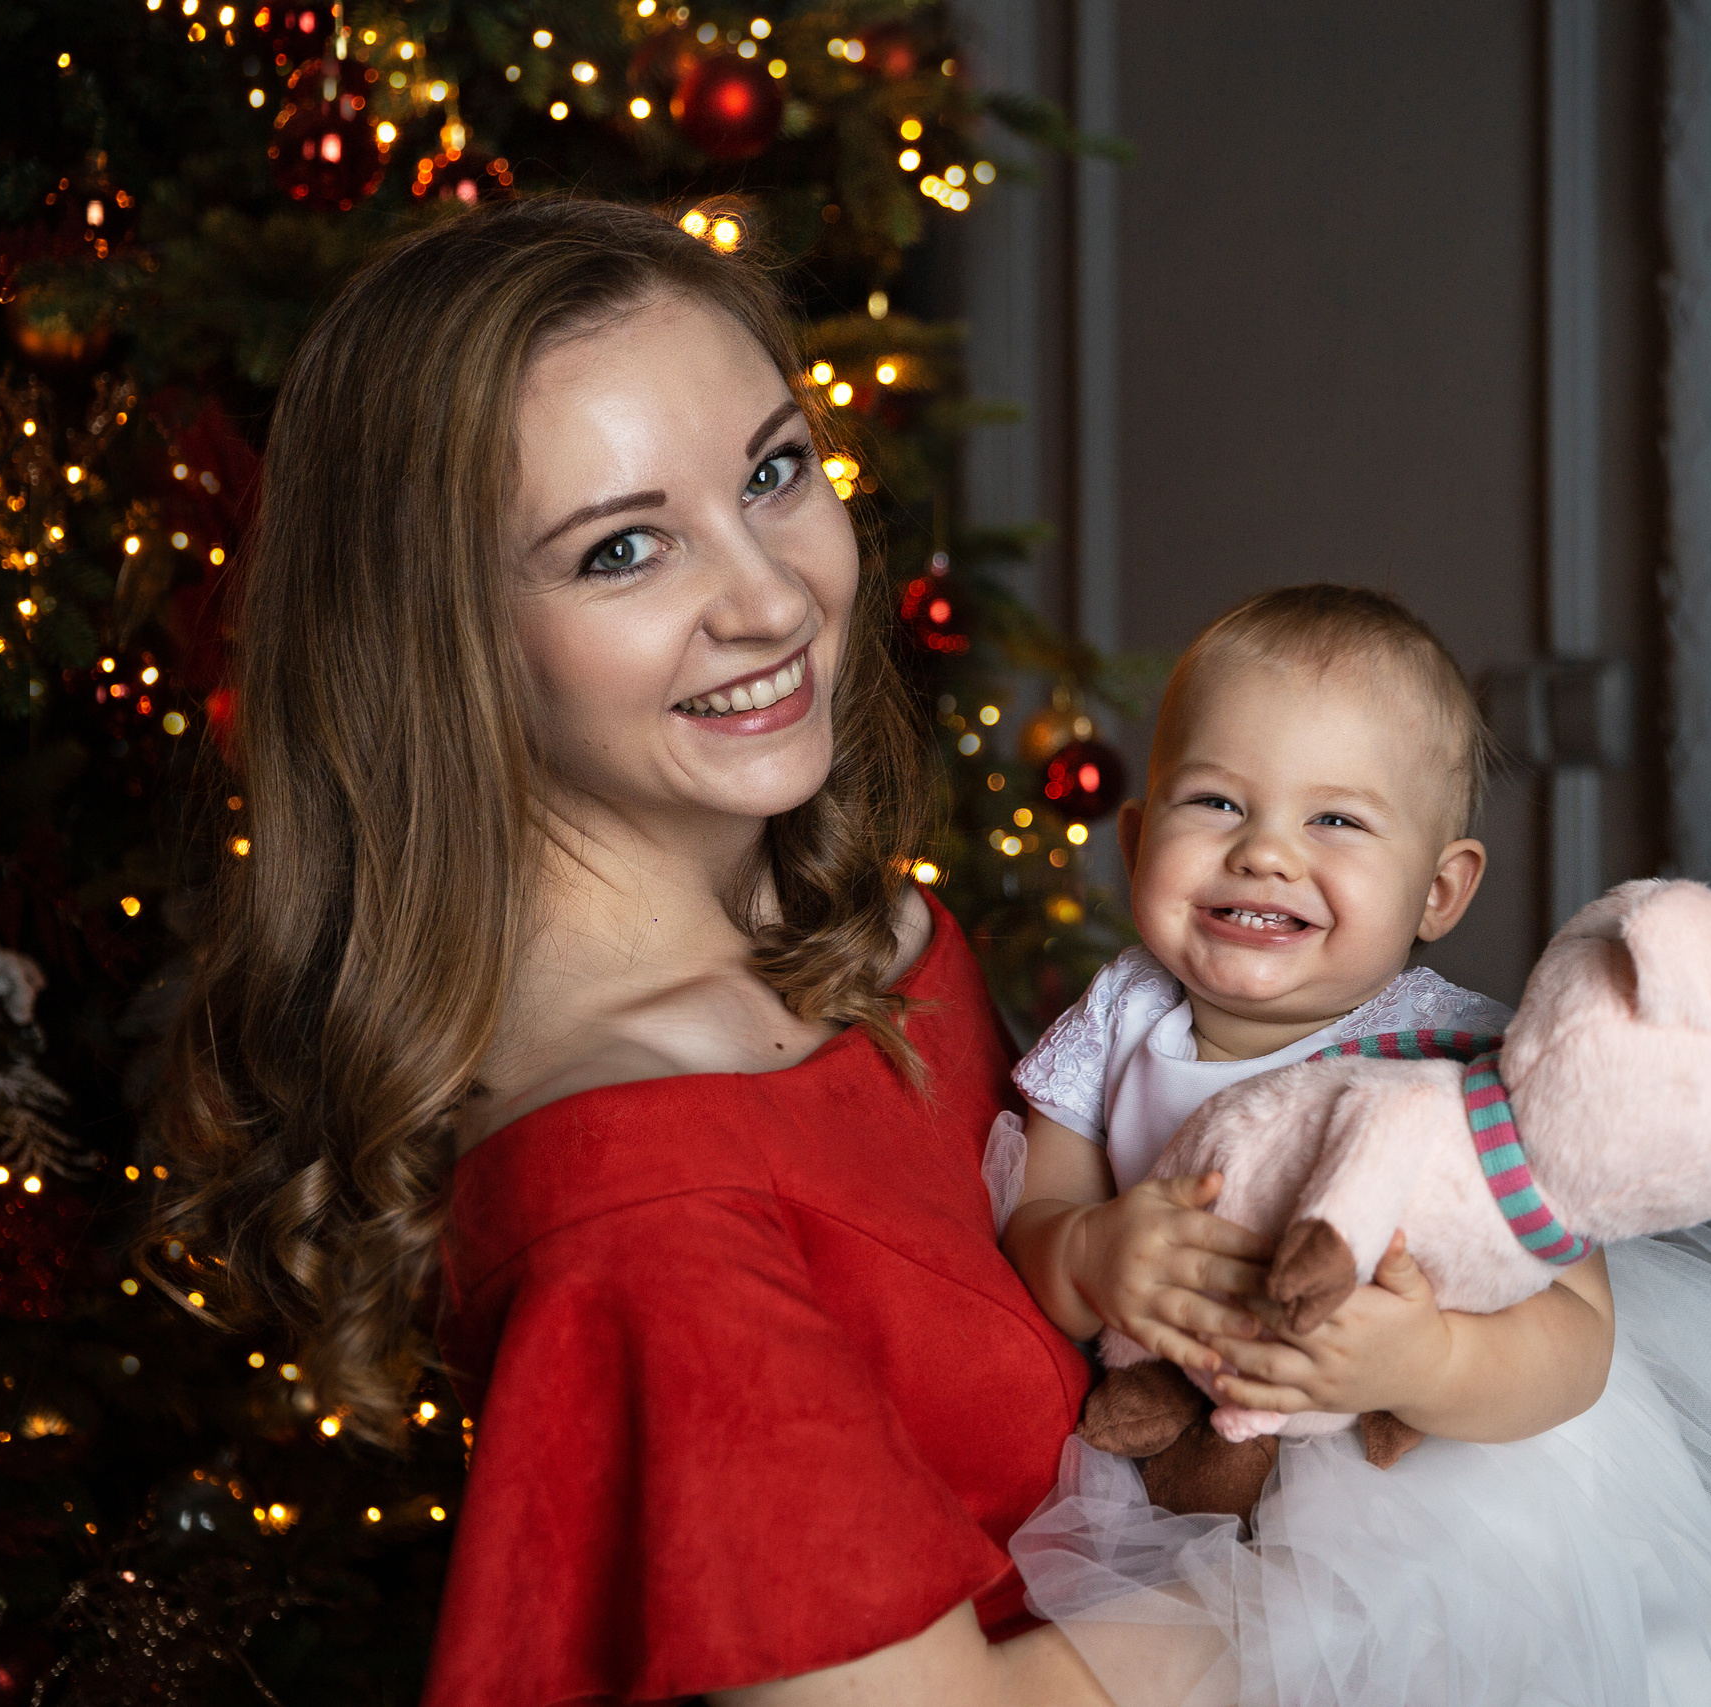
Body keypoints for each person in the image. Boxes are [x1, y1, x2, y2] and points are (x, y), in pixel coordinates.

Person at [149, 198, 1121, 1707]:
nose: (773, 599)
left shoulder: (874, 939)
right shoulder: (635, 1190)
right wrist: (1353, 1572)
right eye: (623, 549)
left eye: (774, 472)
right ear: (442, 641)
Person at [992, 587, 1711, 1707]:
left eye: (1335, 820)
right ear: (1135, 836)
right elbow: (1035, 1223)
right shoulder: (1118, 1021)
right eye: (1214, 804)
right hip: (1184, 1460)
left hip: (1442, 1487)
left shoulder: (1473, 1063)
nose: (1263, 853)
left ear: (1439, 891)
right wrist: (1093, 1251)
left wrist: (1421, 1363)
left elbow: (1575, 1345)